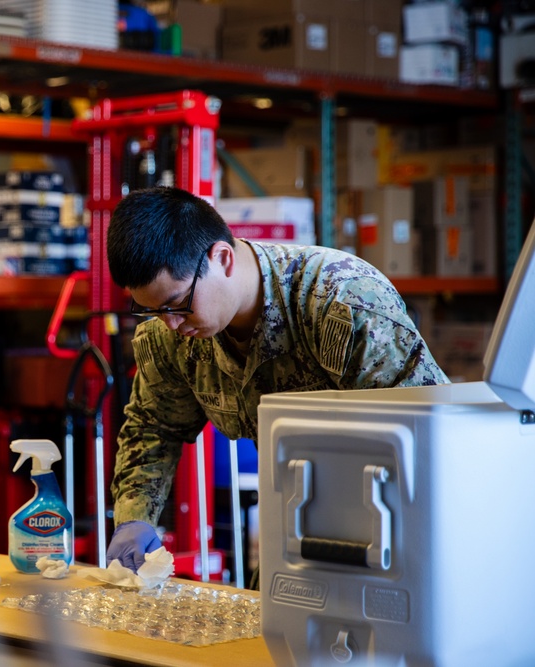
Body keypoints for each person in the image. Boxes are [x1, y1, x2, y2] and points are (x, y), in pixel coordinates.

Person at [104, 186, 448, 583]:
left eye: (178, 304)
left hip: (397, 535)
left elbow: (432, 433)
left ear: (222, 258)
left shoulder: (340, 301)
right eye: (152, 311)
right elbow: (153, 429)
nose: (171, 324)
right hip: (293, 534)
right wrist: (133, 520)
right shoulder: (172, 337)